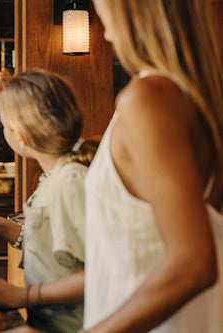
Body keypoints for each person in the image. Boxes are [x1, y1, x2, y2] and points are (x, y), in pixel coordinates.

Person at [83, 0, 223, 332]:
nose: (103, 33)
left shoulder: (148, 98)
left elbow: (193, 264)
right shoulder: (201, 100)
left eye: (103, 12)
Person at [0, 69, 98, 333]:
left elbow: (99, 274)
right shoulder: (54, 176)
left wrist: (24, 296)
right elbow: (58, 252)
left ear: (20, 136)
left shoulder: (70, 183)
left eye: (5, 125)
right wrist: (6, 228)